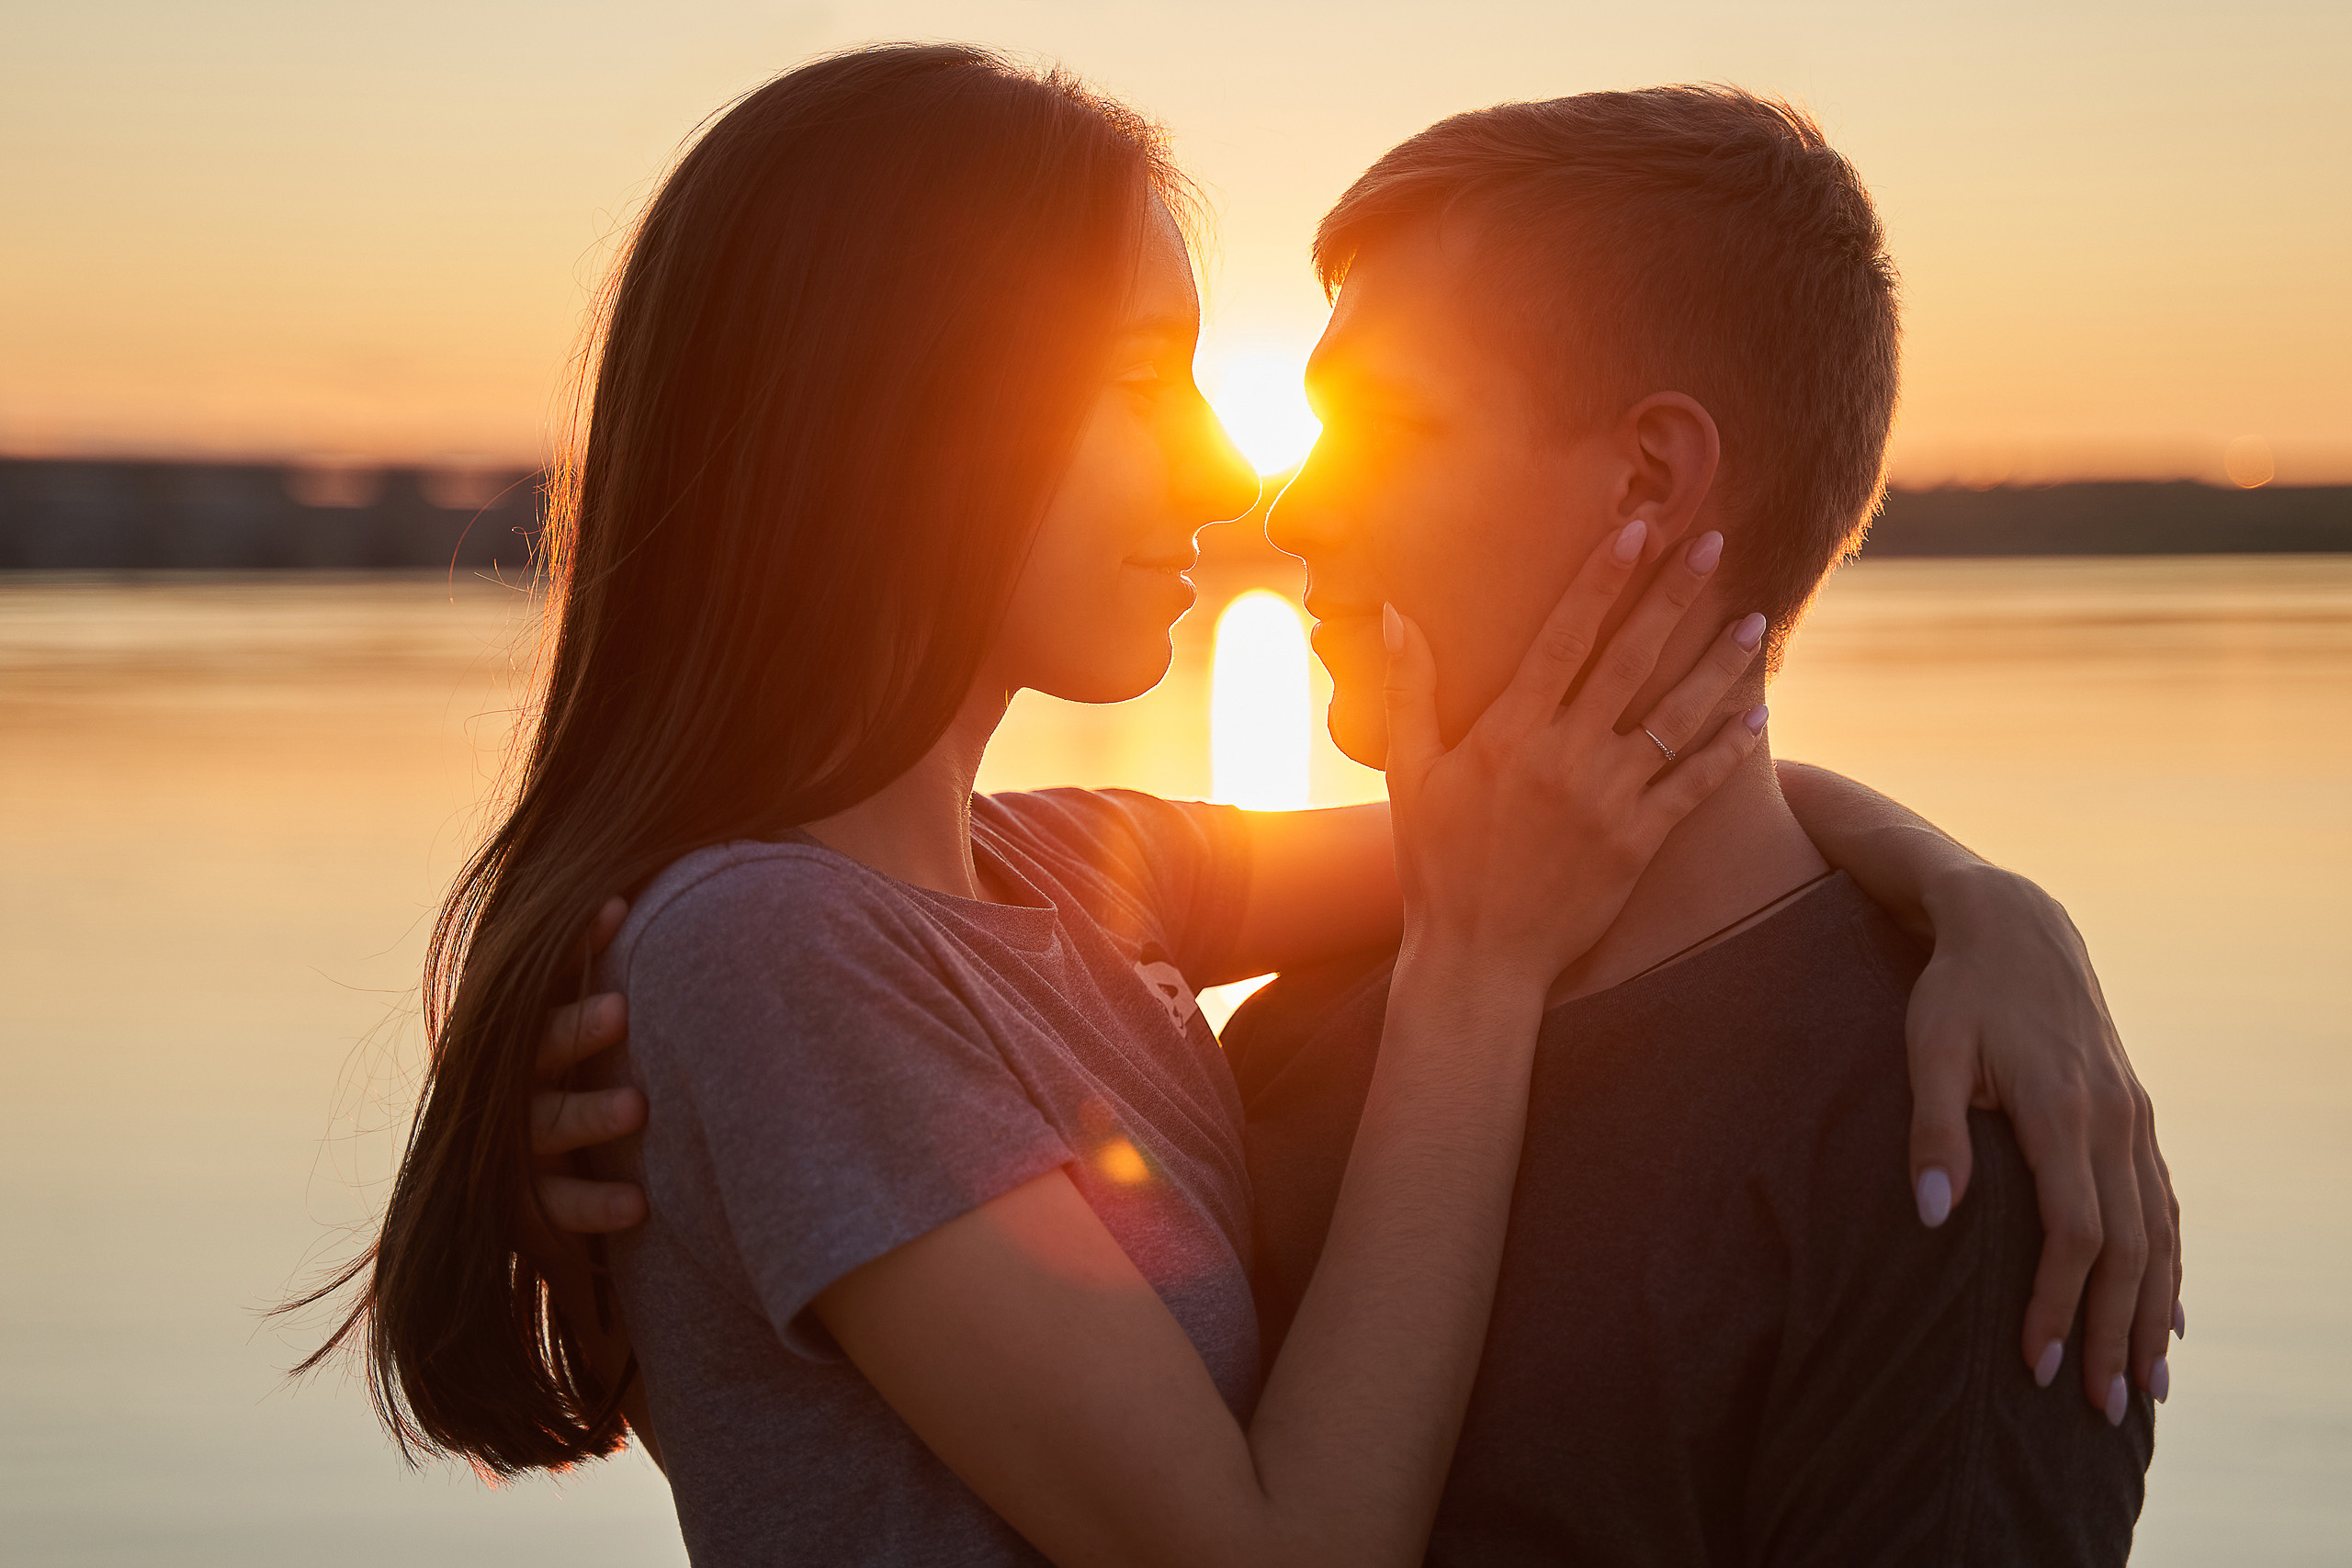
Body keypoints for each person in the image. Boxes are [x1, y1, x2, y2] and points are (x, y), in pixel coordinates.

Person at [332, 46, 2176, 1568]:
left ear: (1648, 477)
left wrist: (1978, 902)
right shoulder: (818, 957)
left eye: (1382, 429)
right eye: (1142, 383)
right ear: (908, 421)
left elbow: (1550, 840)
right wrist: (1475, 970)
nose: (1254, 496)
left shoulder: (1088, 887)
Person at [1223, 86, 2161, 1562]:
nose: (1292, 514)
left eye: (1384, 429)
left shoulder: (1938, 1138)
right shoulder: (1282, 1045)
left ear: (1651, 481)